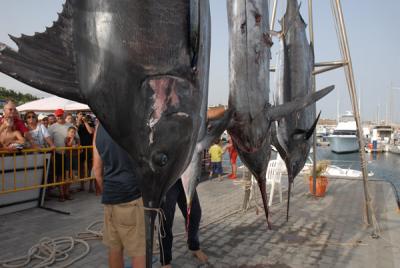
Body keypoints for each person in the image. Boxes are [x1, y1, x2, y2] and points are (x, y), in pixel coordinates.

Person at [93, 123, 145, 268]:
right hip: (134, 196)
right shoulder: (134, 120)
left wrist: (107, 190)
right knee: (140, 251)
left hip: (110, 196)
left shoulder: (99, 127)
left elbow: (97, 170)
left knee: (114, 247)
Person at [159, 179, 208, 267]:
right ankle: (165, 261)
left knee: (195, 214)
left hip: (186, 177)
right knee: (165, 220)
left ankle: (194, 246)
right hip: (169, 179)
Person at [48, 108, 78, 201]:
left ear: (64, 115)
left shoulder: (71, 125)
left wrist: (76, 145)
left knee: (70, 175)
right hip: (58, 154)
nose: (59, 117)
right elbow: (49, 141)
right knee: (60, 175)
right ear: (55, 116)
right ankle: (61, 194)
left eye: (61, 115)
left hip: (70, 155)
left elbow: (77, 138)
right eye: (57, 115)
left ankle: (67, 192)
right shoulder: (52, 127)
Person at [76, 112, 95, 192]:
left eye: (83, 114)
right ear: (77, 116)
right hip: (81, 148)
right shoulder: (78, 124)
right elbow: (74, 131)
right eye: (80, 114)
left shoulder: (90, 123)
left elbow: (91, 131)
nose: (82, 116)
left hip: (89, 147)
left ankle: (91, 186)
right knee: (81, 167)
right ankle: (82, 185)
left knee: (90, 167)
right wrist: (78, 121)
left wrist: (85, 122)